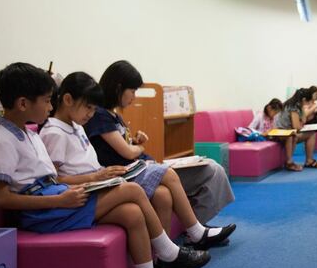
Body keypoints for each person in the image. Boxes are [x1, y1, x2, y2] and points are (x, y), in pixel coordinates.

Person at [0, 63, 208, 268]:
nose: (49, 107)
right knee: (131, 190)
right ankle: (169, 251)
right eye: (47, 101)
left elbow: (53, 179)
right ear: (23, 103)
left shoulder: (30, 134)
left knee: (132, 213)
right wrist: (59, 200)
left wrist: (88, 183)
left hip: (54, 199)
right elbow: (0, 197)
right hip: (43, 210)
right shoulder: (1, 138)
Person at [40, 72, 234, 268]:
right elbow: (54, 180)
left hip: (96, 183)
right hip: (84, 190)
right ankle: (183, 242)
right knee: (154, 180)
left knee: (160, 197)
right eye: (88, 107)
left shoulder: (76, 126)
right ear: (67, 100)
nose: (90, 114)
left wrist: (102, 174)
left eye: (94, 109)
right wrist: (98, 176)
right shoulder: (55, 132)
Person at [84, 61, 235, 228]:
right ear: (118, 88)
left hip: (144, 166)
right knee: (212, 170)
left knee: (213, 167)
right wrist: (139, 147)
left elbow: (122, 146)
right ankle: (196, 230)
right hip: (134, 172)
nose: (134, 97)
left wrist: (135, 141)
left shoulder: (113, 114)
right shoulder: (100, 115)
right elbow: (127, 152)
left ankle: (198, 225)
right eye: (132, 91)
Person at [275, 88, 317, 169]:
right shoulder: (293, 107)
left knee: (311, 133)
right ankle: (289, 162)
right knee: (292, 135)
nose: (308, 103)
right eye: (307, 101)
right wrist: (301, 124)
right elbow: (296, 127)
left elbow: (304, 120)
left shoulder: (298, 105)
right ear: (303, 99)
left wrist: (303, 111)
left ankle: (309, 160)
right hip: (281, 133)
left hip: (289, 131)